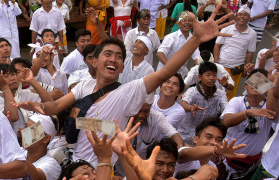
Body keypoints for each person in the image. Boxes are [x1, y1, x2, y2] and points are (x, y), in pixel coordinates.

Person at [17, 6, 235, 168]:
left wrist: (196, 40)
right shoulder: (84, 84)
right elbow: (53, 108)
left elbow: (165, 73)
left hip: (100, 171)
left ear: (122, 67)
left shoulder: (128, 91)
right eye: (107, 54)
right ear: (95, 60)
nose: (113, 59)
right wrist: (34, 83)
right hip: (74, 163)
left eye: (119, 56)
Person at [220, 69, 276, 180]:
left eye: (261, 82)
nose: (256, 85)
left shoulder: (270, 105)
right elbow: (226, 121)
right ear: (246, 86)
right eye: (253, 81)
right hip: (226, 160)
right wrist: (248, 113)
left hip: (251, 164)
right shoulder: (237, 101)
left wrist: (271, 87)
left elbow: (274, 116)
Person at [177, 61, 228, 144]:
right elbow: (183, 104)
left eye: (214, 75)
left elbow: (227, 111)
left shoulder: (220, 94)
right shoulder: (192, 91)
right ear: (200, 77)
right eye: (208, 75)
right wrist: (190, 107)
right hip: (184, 135)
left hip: (205, 138)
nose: (212, 78)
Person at [214, 5, 256, 100]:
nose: (242, 16)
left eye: (245, 15)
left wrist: (246, 68)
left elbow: (250, 52)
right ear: (236, 16)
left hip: (236, 69)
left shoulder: (252, 33)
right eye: (240, 14)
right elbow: (217, 46)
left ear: (249, 18)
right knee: (215, 91)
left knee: (230, 93)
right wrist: (216, 63)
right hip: (221, 66)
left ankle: (225, 113)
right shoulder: (227, 29)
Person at [0, 64, 45, 134]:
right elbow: (13, 117)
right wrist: (5, 87)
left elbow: (49, 105)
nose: (12, 78)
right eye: (6, 76)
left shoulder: (26, 93)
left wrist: (32, 81)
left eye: (13, 74)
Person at [24, 114, 61, 180]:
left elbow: (36, 177)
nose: (25, 132)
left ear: (46, 138)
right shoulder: (19, 152)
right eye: (26, 127)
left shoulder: (52, 164)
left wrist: (15, 152)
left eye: (32, 129)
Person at [156, 11, 199, 78]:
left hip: (181, 74)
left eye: (190, 21)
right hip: (164, 72)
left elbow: (197, 58)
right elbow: (160, 53)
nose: (187, 22)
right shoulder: (171, 37)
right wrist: (169, 68)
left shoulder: (193, 40)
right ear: (179, 24)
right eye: (184, 20)